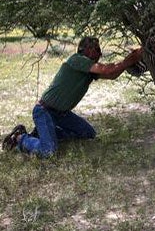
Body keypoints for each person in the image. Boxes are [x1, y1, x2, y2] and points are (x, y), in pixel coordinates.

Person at [2, 37, 143, 158]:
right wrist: (132, 58)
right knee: (48, 151)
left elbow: (112, 74)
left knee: (88, 133)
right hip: (44, 111)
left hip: (61, 114)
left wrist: (129, 62)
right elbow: (108, 69)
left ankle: (40, 135)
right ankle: (20, 139)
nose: (99, 53)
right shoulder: (77, 60)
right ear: (87, 50)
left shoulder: (89, 69)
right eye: (97, 50)